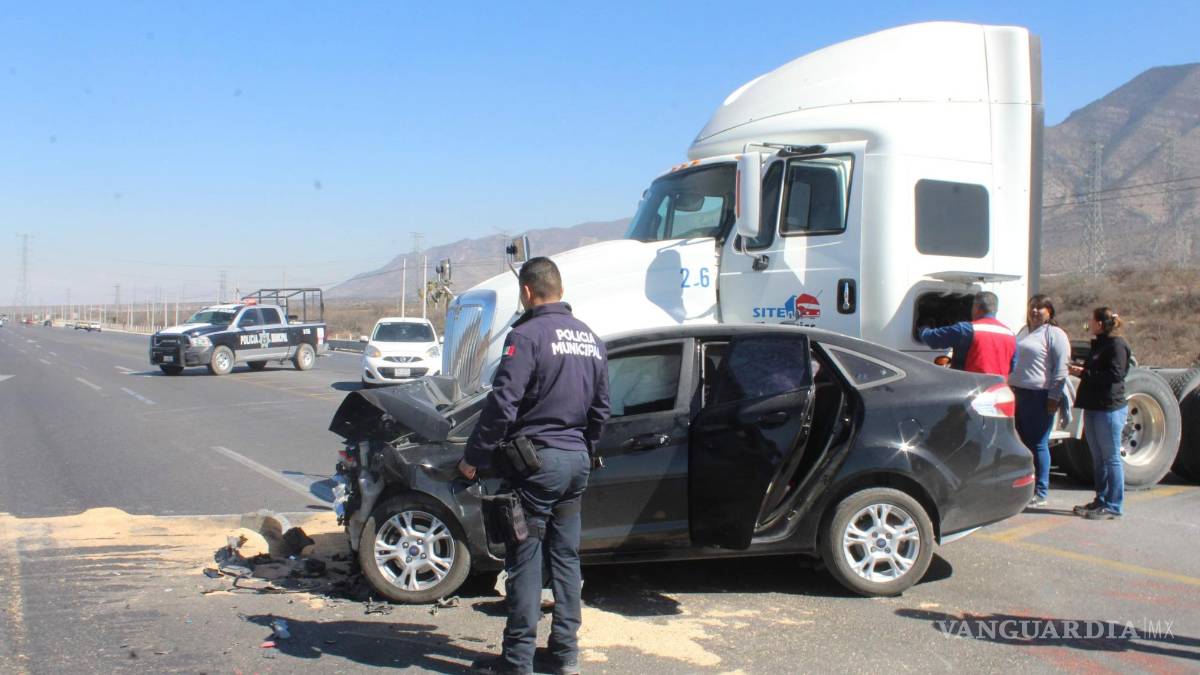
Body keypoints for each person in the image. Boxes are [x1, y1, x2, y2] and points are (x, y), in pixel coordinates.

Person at [460, 256, 610, 675]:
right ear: (558, 289)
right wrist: (584, 450)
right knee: (565, 558)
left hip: (536, 466)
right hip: (576, 464)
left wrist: (474, 457)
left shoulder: (526, 337)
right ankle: (565, 655)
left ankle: (518, 660)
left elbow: (503, 404)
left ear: (527, 292)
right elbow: (602, 410)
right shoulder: (591, 339)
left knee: (524, 560)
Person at [1008, 294, 1071, 507]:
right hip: (1018, 393)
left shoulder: (1054, 334)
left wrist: (1054, 397)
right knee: (1021, 443)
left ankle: (1041, 491)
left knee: (1038, 444)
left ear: (1049, 312)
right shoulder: (1024, 332)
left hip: (1039, 396)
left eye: (1040, 308)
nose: (1035, 311)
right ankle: (1025, 487)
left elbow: (1061, 368)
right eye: (1032, 307)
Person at [1070, 307, 1131, 520]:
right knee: (1098, 457)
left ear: (1101, 323)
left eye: (1092, 320)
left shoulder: (1117, 345)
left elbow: (1115, 375)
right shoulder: (1100, 344)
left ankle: (1114, 504)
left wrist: (1085, 373)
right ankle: (1101, 499)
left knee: (1111, 457)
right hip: (1094, 406)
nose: (1089, 324)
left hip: (1109, 408)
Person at [918, 291, 1017, 377]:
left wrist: (924, 326)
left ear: (976, 307)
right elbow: (1012, 367)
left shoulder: (966, 330)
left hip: (972, 389)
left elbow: (931, 338)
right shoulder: (1010, 335)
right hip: (998, 391)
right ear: (995, 309)